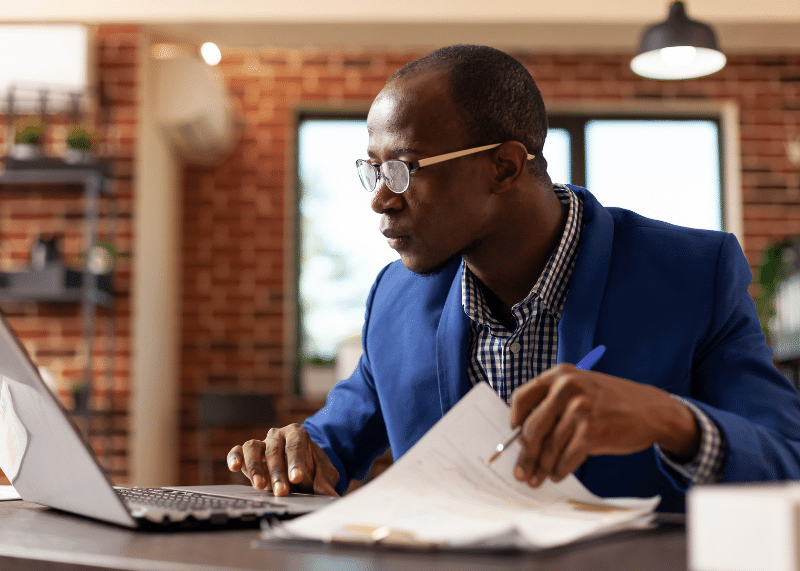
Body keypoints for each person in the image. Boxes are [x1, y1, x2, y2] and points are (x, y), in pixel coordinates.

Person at [228, 45, 800, 512]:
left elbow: (785, 458)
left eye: (402, 169)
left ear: (503, 165)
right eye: (373, 170)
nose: (381, 198)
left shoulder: (692, 273)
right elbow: (335, 440)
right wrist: (299, 456)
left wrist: (669, 419)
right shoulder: (396, 298)